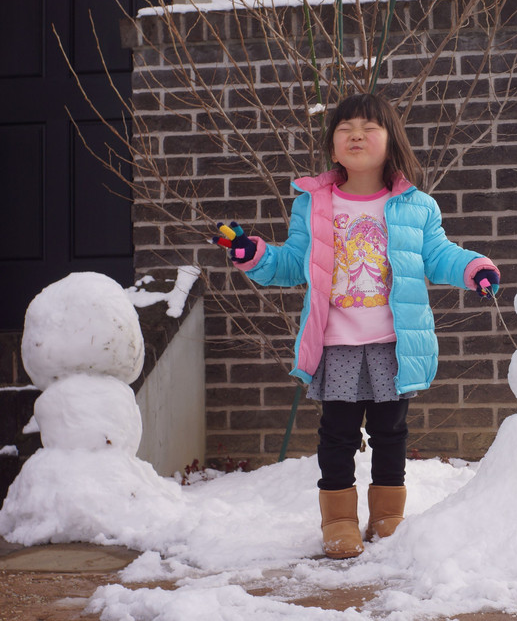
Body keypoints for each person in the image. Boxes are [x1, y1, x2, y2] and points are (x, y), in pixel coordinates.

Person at [214, 93, 500, 559]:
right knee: (338, 433)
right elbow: (293, 264)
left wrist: (474, 269)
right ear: (332, 146)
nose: (356, 135)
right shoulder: (314, 204)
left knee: (391, 432)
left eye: (370, 127)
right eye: (345, 128)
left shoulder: (416, 206)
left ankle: (388, 517)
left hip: (394, 341)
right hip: (337, 343)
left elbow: (439, 255)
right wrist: (258, 256)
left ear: (391, 142)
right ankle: (340, 521)